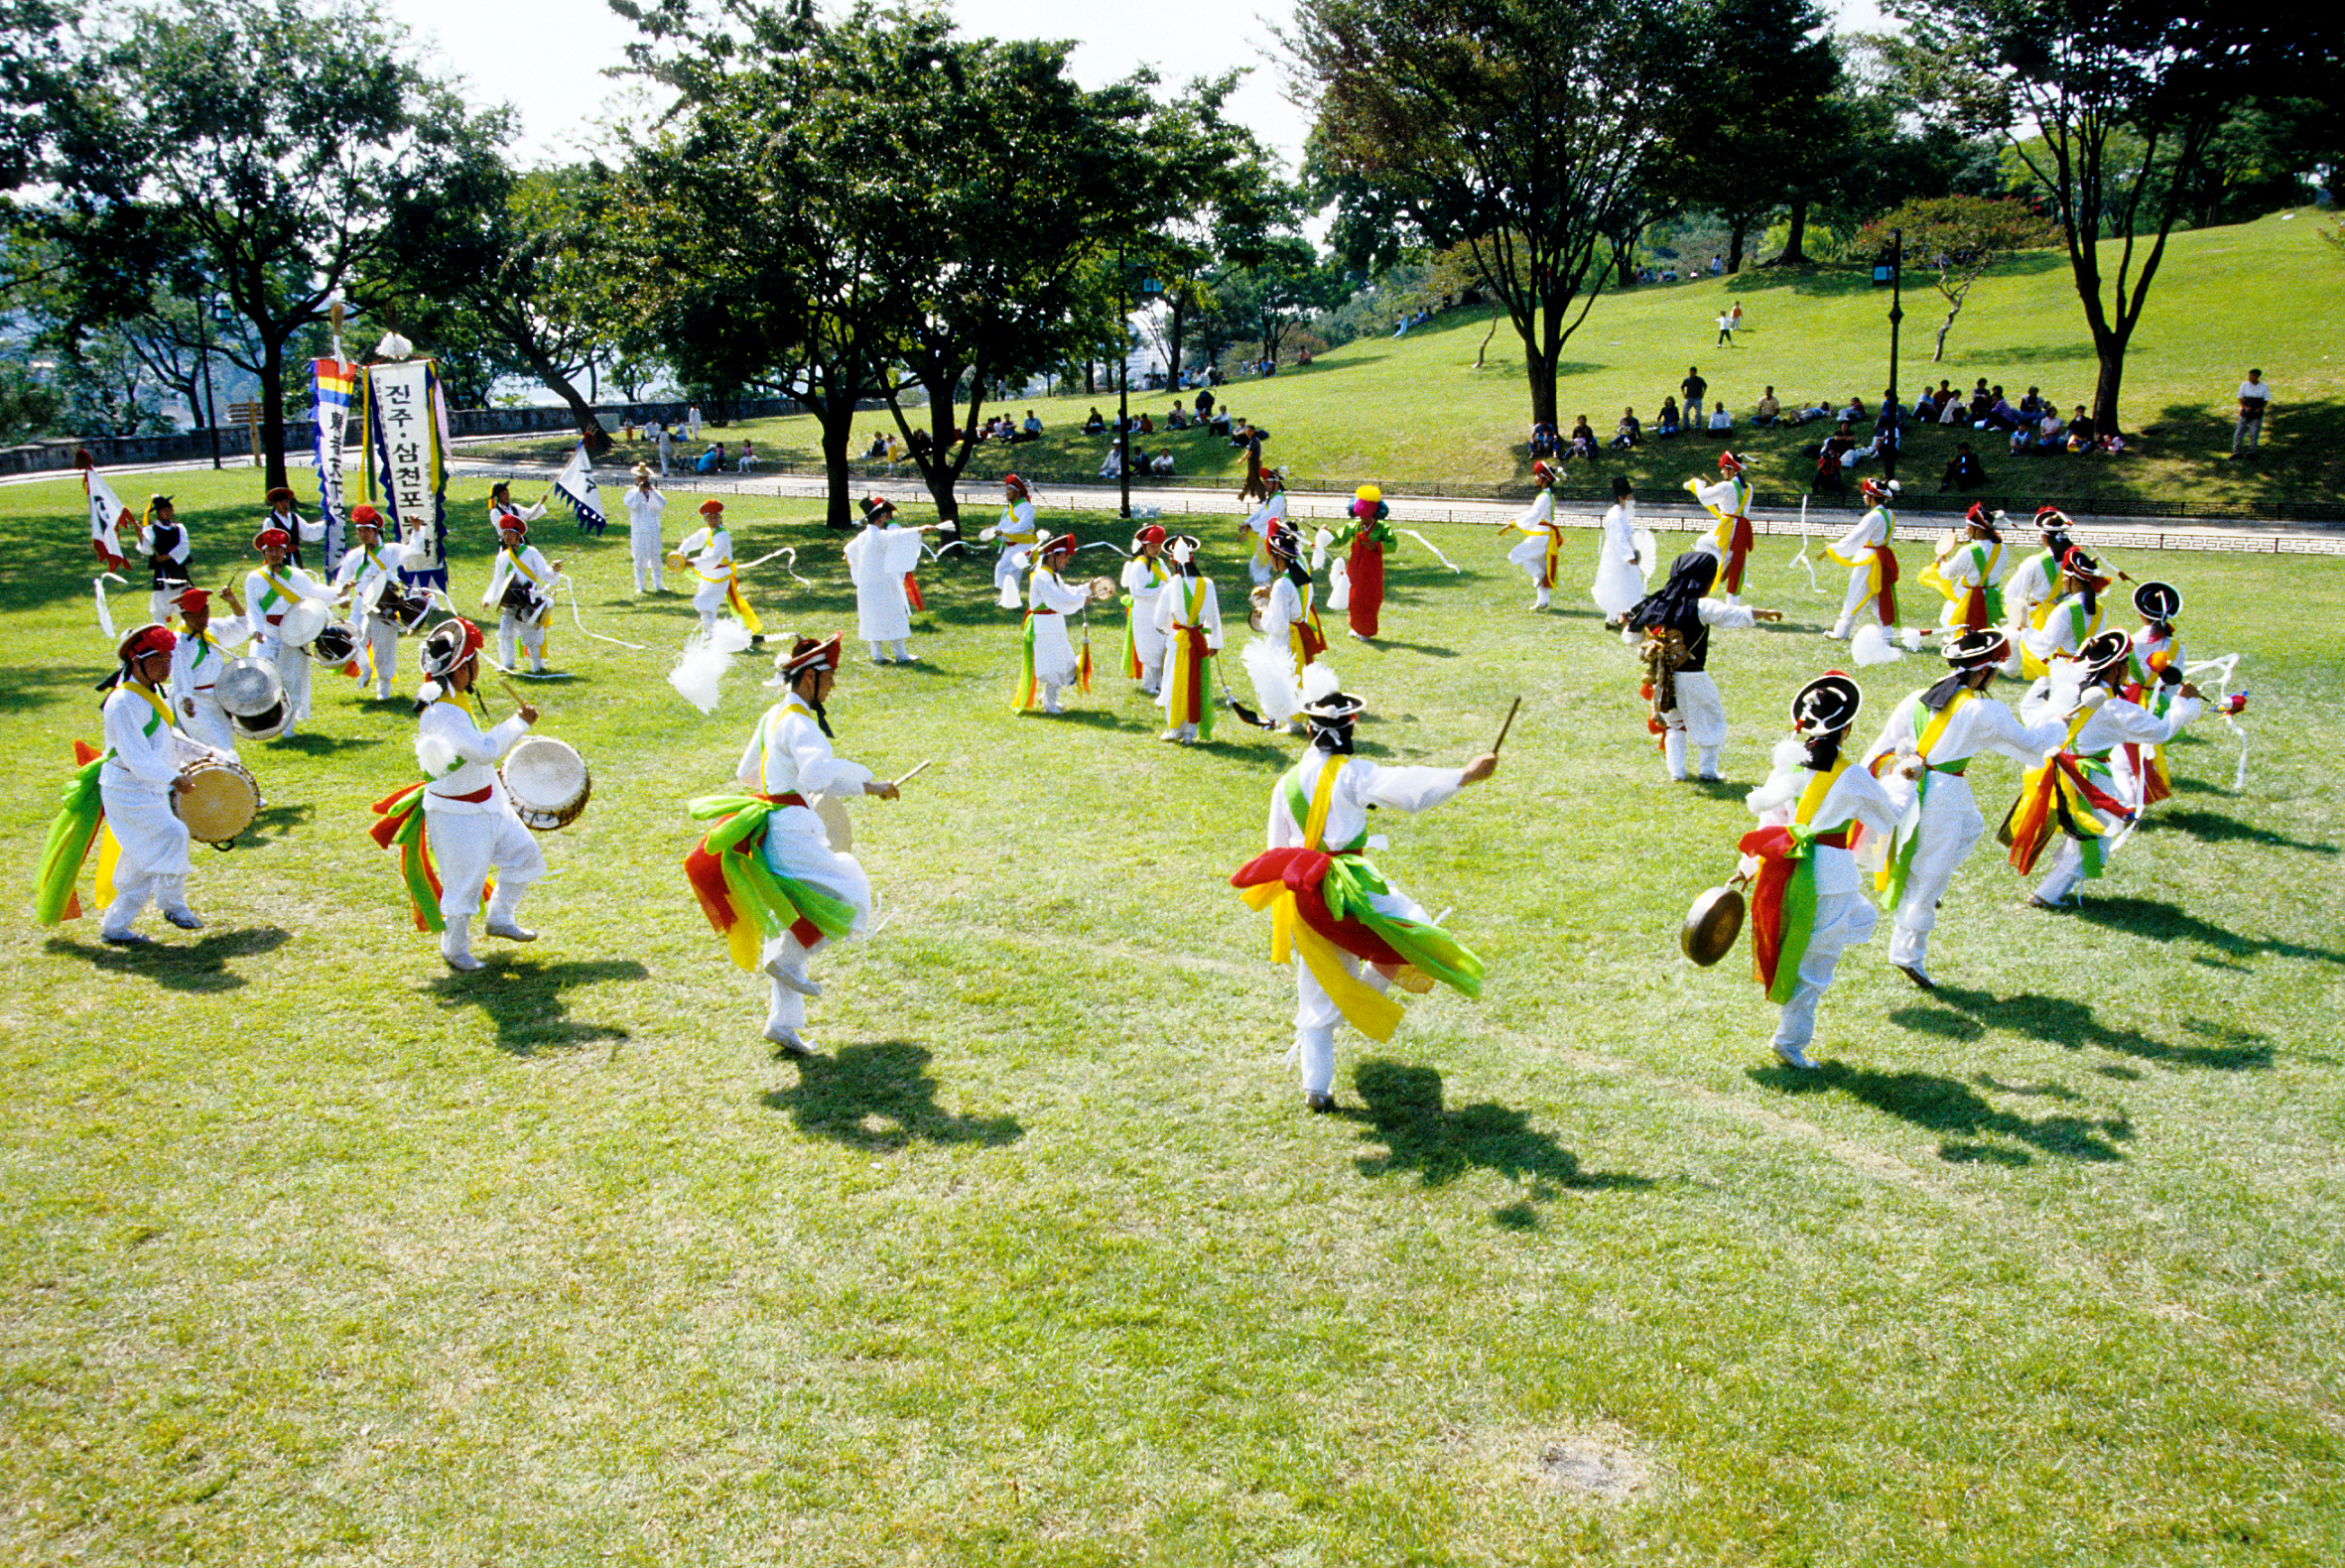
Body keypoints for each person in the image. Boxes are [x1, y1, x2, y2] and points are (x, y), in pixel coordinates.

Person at [1229, 682, 1497, 1112]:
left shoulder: (1286, 783)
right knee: (1410, 930)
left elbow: (1275, 847)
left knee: (1314, 987)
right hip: (1352, 885)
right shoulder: (1352, 773)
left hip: (1303, 892)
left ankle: (1316, 1089)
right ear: (1351, 725)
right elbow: (1405, 787)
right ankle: (1357, 998)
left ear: (1310, 729)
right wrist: (1463, 775)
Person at [682, 634, 900, 1056]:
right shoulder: (801, 723)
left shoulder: (774, 716)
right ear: (808, 681)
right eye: (830, 677)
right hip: (794, 829)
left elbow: (747, 773)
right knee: (849, 893)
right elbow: (818, 776)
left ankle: (782, 1023)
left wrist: (784, 785)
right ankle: (784, 960)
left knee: (791, 921)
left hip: (771, 825)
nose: (834, 685)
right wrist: (870, 785)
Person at [1859, 628, 2067, 989]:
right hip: (1943, 790)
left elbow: (1883, 746)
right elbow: (2032, 745)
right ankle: (1908, 953)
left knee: (1972, 828)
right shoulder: (1984, 709)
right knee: (1931, 871)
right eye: (1996, 670)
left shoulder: (1917, 698)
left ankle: (1923, 895)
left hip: (1911, 783)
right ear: (1984, 671)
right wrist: (2062, 724)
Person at [1736, 673, 1902, 1069]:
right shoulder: (1853, 775)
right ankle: (1789, 1041)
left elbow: (1769, 822)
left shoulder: (1788, 766)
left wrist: (1747, 866)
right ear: (1846, 730)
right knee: (1815, 965)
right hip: (1829, 876)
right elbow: (1888, 817)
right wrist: (1903, 781)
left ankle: (1804, 951)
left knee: (1862, 919)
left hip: (1788, 867)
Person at [370, 618, 543, 970]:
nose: (478, 665)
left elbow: (471, 756)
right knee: (463, 885)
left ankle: (500, 918)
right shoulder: (443, 711)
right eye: (474, 660)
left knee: (524, 856)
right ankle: (455, 947)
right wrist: (519, 722)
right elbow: (481, 750)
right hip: (455, 814)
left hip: (487, 803)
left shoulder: (456, 701)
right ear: (461, 668)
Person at [2009, 629, 2203, 909]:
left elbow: (2030, 710)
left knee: (2084, 833)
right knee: (2093, 840)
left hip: (2051, 767)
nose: (2129, 671)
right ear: (2115, 669)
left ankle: (2051, 888)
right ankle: (2046, 895)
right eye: (2126, 665)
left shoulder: (2068, 692)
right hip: (2086, 777)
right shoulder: (2115, 709)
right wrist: (2184, 702)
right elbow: (2160, 732)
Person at [87, 625, 227, 942]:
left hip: (148, 786)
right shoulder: (121, 702)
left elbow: (166, 737)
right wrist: (174, 777)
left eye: (169, 659)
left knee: (143, 859)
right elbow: (135, 757)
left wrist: (210, 754)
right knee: (172, 834)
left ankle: (115, 927)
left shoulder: (151, 691)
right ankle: (172, 905)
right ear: (137, 662)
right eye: (159, 661)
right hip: (126, 788)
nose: (167, 667)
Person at [1624, 550, 1784, 781]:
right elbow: (1731, 615)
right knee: (1710, 719)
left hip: (1663, 678)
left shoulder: (1654, 604)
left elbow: (1630, 636)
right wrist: (1762, 613)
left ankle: (1677, 772)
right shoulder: (1700, 606)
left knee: (1674, 723)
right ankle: (1708, 771)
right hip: (1692, 676)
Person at [243, 525, 336, 735]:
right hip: (267, 632)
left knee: (292, 679)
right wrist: (256, 629)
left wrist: (340, 593)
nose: (274, 554)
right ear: (264, 553)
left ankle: (288, 727)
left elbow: (314, 595)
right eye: (270, 551)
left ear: (284, 553)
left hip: (293, 632)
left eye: (278, 550)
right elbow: (254, 608)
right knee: (264, 678)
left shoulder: (296, 575)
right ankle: (267, 721)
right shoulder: (254, 578)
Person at [844, 495, 938, 664]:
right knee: (895, 615)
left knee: (873, 617)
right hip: (884, 585)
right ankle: (900, 654)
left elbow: (848, 551)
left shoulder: (863, 536)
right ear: (881, 517)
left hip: (867, 586)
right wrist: (919, 529)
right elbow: (899, 536)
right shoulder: (878, 536)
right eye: (885, 515)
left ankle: (877, 655)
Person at [2121, 581, 2187, 812]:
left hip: (2128, 699)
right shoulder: (2176, 648)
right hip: (2158, 704)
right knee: (2145, 750)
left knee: (2123, 754)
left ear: (2141, 614)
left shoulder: (2130, 642)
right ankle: (2142, 790)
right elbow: (2172, 685)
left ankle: (2129, 802)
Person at [332, 504, 409, 699]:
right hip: (360, 603)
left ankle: (383, 689)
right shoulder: (354, 555)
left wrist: (417, 531)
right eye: (360, 530)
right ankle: (365, 668)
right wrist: (343, 595)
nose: (363, 534)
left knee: (384, 647)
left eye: (367, 530)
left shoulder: (391, 550)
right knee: (354, 639)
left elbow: (414, 552)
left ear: (376, 531)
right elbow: (341, 579)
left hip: (384, 603)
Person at [166, 586, 250, 757]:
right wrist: (186, 702)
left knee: (225, 746)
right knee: (220, 752)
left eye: (204, 613)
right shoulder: (179, 643)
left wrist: (233, 602)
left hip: (219, 699)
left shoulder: (212, 628)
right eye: (194, 616)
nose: (201, 619)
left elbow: (241, 628)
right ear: (183, 616)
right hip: (196, 704)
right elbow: (181, 680)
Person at [1154, 535, 1222, 743]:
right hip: (1199, 639)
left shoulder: (1170, 587)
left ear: (1173, 561)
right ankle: (1190, 730)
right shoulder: (1207, 585)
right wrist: (1214, 642)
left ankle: (1174, 727)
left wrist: (1169, 630)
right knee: (1196, 681)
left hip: (1177, 639)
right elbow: (1214, 616)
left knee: (1173, 681)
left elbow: (1159, 621)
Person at [1015, 534, 1090, 715]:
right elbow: (1057, 598)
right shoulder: (1041, 577)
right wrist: (1081, 600)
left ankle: (1047, 698)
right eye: (1064, 556)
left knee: (1065, 662)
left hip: (1054, 624)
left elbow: (1068, 591)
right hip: (1043, 626)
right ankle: (1049, 704)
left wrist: (1089, 587)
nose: (1067, 561)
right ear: (1052, 556)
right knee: (1054, 665)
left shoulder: (1053, 577)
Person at [1823, 477, 1901, 642]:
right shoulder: (1890, 515)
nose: (1864, 498)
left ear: (1872, 497)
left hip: (1869, 559)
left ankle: (1841, 631)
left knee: (1856, 593)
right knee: (1880, 597)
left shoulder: (1873, 517)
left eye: (1865, 495)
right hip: (1882, 558)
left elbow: (1855, 538)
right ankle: (1887, 634)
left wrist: (1834, 548)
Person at [481, 517, 562, 677]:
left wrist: (555, 570)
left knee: (531, 633)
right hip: (509, 599)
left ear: (518, 535)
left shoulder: (531, 552)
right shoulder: (502, 557)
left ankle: (538, 665)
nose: (507, 536)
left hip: (528, 598)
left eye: (511, 533)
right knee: (505, 632)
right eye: (505, 533)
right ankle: (507, 663)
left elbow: (545, 573)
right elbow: (497, 580)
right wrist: (488, 599)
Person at [1919, 504, 2012, 634]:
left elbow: (1947, 573)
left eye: (1968, 525)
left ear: (1978, 529)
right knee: (1986, 632)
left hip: (1968, 598)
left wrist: (1942, 561)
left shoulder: (1970, 550)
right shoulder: (2002, 548)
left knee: (1958, 626)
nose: (1965, 529)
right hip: (1991, 598)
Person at [678, 498, 760, 639]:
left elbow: (714, 558)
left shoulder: (722, 535)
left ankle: (712, 636)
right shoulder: (706, 532)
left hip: (719, 573)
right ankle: (712, 633)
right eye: (709, 517)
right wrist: (681, 553)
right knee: (708, 604)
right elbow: (691, 542)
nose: (713, 519)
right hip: (708, 573)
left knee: (705, 603)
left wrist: (691, 563)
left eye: (716, 516)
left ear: (720, 517)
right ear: (705, 518)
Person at [1686, 450, 1756, 600]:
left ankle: (1722, 564)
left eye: (1724, 468)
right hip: (1741, 529)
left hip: (1727, 529)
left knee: (1702, 543)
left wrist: (1697, 484)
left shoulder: (1726, 486)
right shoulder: (1749, 488)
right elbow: (1731, 503)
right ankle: (1732, 602)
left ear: (1731, 469)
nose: (1721, 471)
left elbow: (1704, 498)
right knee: (1738, 566)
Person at [1501, 460, 1566, 610]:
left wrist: (1515, 523)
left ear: (1544, 478)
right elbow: (1533, 514)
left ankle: (1540, 575)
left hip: (1542, 534)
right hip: (1545, 534)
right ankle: (1542, 601)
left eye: (1537, 476)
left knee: (1514, 555)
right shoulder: (1547, 495)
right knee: (1539, 563)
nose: (1535, 478)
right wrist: (1515, 521)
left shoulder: (1544, 497)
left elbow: (1533, 515)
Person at [1120, 524, 1172, 695]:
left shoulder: (1161, 563)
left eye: (1158, 546)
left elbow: (1169, 582)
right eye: (1152, 546)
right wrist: (1161, 591)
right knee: (1150, 648)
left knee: (1161, 646)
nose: (1156, 550)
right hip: (1144, 614)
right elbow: (1137, 591)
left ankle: (1158, 683)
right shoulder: (1138, 566)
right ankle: (1148, 685)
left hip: (1161, 611)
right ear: (1144, 546)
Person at [1340, 484, 1394, 639]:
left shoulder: (1382, 528)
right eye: (1361, 515)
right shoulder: (1354, 526)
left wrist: (1377, 545)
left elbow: (1393, 545)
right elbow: (1338, 539)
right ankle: (1356, 627)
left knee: (1370, 597)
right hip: (1355, 566)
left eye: (1367, 515)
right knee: (1354, 596)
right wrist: (1326, 533)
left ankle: (1367, 630)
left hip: (1372, 568)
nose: (1363, 519)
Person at [1590, 475, 1643, 628]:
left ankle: (1615, 617)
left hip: (1621, 555)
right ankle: (1614, 617)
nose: (1632, 500)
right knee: (1617, 585)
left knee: (1621, 586)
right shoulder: (1615, 515)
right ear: (1621, 497)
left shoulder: (1621, 513)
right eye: (1629, 497)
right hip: (1616, 556)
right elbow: (1618, 538)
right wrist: (1628, 556)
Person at [987, 474, 1040, 610]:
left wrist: (1003, 532)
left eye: (1009, 491)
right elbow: (1002, 525)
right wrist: (993, 532)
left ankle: (1009, 599)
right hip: (1011, 545)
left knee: (1003, 568)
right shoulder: (1008, 508)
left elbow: (1022, 527)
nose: (1006, 494)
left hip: (1023, 545)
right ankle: (1010, 601)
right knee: (1012, 573)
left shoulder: (1027, 507)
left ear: (1017, 491)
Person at [139, 494, 192, 625]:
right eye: (164, 510)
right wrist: (141, 537)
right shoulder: (150, 530)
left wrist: (169, 556)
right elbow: (146, 548)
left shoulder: (179, 528)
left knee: (186, 605)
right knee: (159, 610)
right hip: (162, 574)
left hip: (178, 571)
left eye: (170, 509)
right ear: (158, 513)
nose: (168, 513)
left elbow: (184, 546)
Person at [1237, 468, 1290, 587]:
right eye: (1265, 482)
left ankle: (1264, 592)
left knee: (1260, 566)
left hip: (1272, 537)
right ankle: (1263, 592)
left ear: (1276, 483)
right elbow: (1260, 512)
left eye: (1268, 483)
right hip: (1265, 536)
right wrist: (1246, 522)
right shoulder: (1272, 498)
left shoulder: (1279, 499)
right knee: (1257, 565)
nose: (1265, 485)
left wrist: (1250, 525)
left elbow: (1268, 517)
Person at [261, 485, 326, 572]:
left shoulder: (294, 517)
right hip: (280, 560)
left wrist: (326, 524)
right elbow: (269, 544)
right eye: (281, 502)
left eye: (286, 502)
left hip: (295, 557)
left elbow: (308, 531)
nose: (285, 505)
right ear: (275, 504)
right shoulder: (270, 521)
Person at [623, 464, 667, 593]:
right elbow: (632, 506)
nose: (643, 480)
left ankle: (658, 584)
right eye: (641, 478)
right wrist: (639, 491)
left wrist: (651, 491)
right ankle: (641, 585)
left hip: (653, 528)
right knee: (640, 556)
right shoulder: (631, 493)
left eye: (645, 478)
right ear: (637, 479)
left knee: (656, 557)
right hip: (639, 530)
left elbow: (661, 505)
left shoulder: (654, 492)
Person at [2233, 369, 2268, 457]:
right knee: (2239, 433)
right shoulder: (2244, 386)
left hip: (2257, 413)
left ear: (2257, 376)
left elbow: (2266, 400)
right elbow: (2240, 398)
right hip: (2246, 412)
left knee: (2254, 433)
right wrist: (2245, 407)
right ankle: (2237, 452)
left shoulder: (2263, 387)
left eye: (2253, 375)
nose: (2250, 377)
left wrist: (2260, 408)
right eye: (2250, 375)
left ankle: (2252, 451)